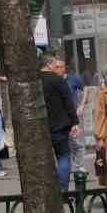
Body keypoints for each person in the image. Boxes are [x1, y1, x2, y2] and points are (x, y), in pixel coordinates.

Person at [39, 54, 81, 189]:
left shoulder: (34, 80)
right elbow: (68, 101)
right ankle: (62, 189)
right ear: (49, 64)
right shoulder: (57, 80)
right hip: (59, 125)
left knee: (43, 159)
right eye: (55, 64)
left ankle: (45, 189)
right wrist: (74, 122)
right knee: (63, 155)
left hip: (39, 126)